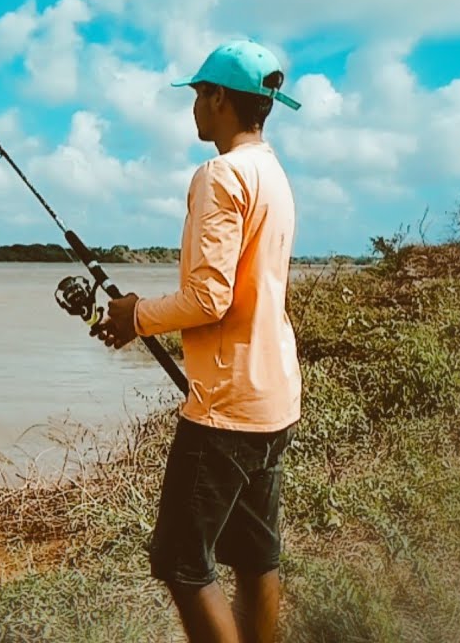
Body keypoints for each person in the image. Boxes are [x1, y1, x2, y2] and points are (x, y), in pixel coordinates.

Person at [92, 38, 303, 643]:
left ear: (218, 99)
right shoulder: (273, 173)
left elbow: (210, 298)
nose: (193, 108)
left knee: (181, 562)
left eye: (198, 95)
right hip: (274, 399)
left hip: (226, 410)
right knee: (256, 556)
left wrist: (135, 316)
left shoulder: (220, 174)